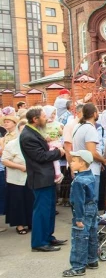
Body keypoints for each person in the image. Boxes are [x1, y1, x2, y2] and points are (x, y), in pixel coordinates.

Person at [20, 106, 66, 252]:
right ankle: (39, 242)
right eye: (44, 116)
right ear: (35, 119)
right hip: (40, 178)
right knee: (41, 211)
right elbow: (40, 156)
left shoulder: (34, 132)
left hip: (46, 177)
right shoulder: (28, 135)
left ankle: (48, 237)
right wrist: (59, 152)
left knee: (49, 210)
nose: (47, 119)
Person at [62, 150, 99, 277]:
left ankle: (78, 266)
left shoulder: (78, 181)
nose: (71, 163)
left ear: (82, 163)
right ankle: (92, 259)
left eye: (73, 161)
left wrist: (78, 218)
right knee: (92, 233)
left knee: (79, 236)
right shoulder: (91, 176)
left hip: (82, 209)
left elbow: (78, 201)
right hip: (92, 207)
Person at [72, 103, 106, 210]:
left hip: (81, 169)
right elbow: (92, 152)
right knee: (91, 201)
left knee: (83, 201)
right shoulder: (90, 129)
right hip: (90, 171)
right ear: (94, 114)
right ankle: (90, 226)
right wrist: (103, 161)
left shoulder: (78, 126)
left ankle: (83, 223)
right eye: (97, 111)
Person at [3, 119, 31, 235]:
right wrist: (20, 167)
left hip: (30, 178)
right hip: (16, 179)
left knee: (30, 200)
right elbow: (4, 160)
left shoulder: (32, 144)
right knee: (17, 202)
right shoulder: (12, 144)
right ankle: (19, 225)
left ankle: (30, 222)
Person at [41, 105, 64, 184]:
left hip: (54, 144)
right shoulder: (42, 125)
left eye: (54, 113)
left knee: (54, 158)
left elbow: (61, 134)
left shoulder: (57, 124)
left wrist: (60, 133)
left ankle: (58, 173)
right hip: (46, 144)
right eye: (51, 113)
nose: (53, 115)